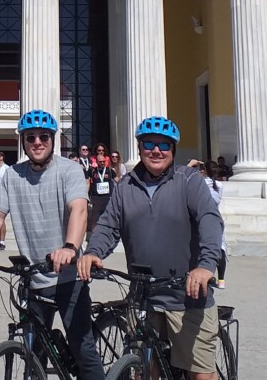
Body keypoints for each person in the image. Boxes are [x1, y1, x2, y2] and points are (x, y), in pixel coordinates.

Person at [81, 118, 224, 380]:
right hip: (143, 296)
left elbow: (210, 220)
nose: (156, 150)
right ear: (139, 148)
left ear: (173, 150)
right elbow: (108, 226)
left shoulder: (188, 180)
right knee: (145, 373)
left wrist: (205, 265)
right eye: (149, 143)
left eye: (164, 145)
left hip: (187, 295)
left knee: (200, 375)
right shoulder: (125, 186)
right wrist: (93, 252)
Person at [0, 109, 104, 380]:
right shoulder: (13, 176)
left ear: (53, 139)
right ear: (23, 141)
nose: (37, 142)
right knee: (34, 355)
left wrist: (70, 247)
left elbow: (78, 209)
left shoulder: (70, 170)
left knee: (84, 350)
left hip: (68, 276)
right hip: (33, 277)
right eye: (30, 137)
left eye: (44, 136)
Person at [194, 160, 228, 289]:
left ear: (205, 170)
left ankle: (204, 274)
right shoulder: (219, 185)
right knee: (220, 247)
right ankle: (221, 279)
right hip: (216, 216)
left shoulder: (200, 183)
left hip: (202, 217)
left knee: (202, 246)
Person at [86, 148, 115, 233]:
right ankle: (93, 236)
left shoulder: (109, 170)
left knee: (109, 217)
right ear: (97, 162)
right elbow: (87, 183)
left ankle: (109, 234)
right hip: (96, 198)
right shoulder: (92, 171)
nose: (102, 163)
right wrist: (86, 196)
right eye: (100, 162)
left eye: (103, 161)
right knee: (94, 218)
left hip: (107, 198)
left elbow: (119, 181)